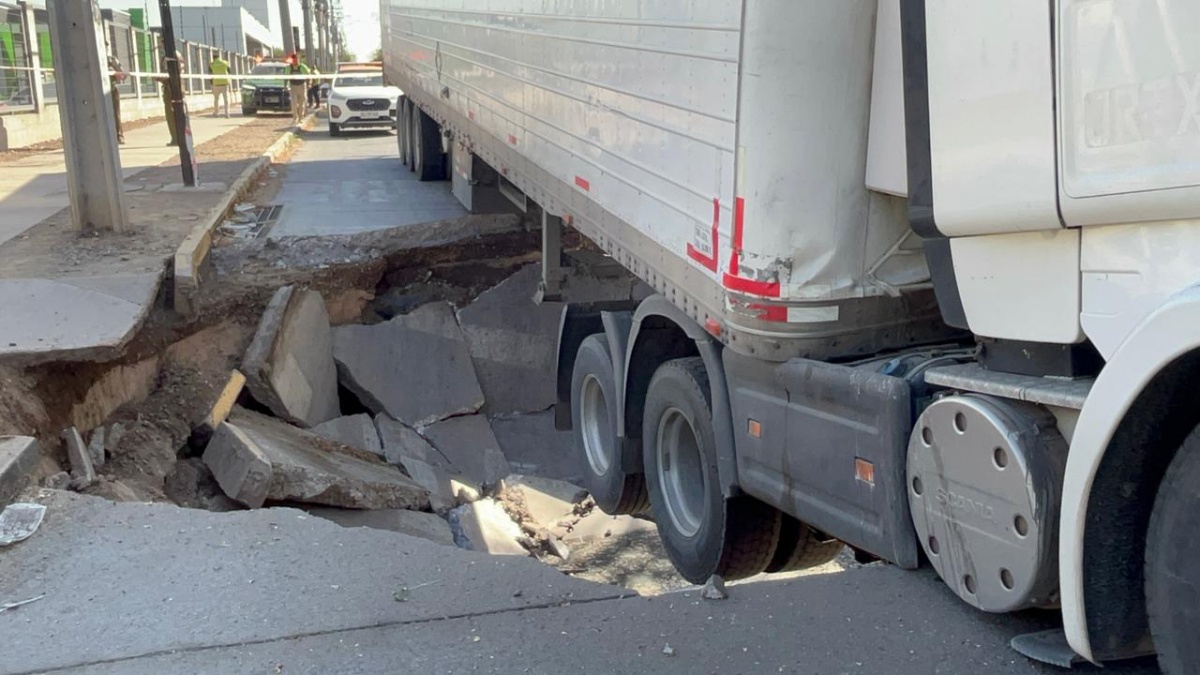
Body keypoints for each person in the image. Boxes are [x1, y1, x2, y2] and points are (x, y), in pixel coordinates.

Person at [156, 48, 188, 146]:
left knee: (171, 114)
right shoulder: (178, 55)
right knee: (179, 112)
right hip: (178, 87)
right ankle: (182, 137)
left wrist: (159, 78)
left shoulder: (169, 57)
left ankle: (176, 138)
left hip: (171, 88)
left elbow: (171, 74)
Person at [106, 50, 126, 144]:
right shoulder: (92, 59)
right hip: (96, 91)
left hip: (111, 89)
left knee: (115, 114)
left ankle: (119, 136)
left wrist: (116, 74)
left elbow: (123, 74)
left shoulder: (112, 60)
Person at [286, 54, 310, 124]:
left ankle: (300, 118)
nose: (295, 61)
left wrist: (309, 84)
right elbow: (285, 77)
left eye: (296, 59)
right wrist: (285, 86)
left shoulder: (303, 67)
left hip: (302, 86)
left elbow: (309, 76)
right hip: (293, 86)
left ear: (299, 60)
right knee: (293, 102)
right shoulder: (289, 68)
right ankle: (295, 117)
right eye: (294, 60)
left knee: (301, 103)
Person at [210, 53, 231, 118]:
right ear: (219, 57)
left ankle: (216, 113)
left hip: (216, 83)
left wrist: (211, 83)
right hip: (224, 83)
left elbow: (210, 73)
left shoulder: (212, 64)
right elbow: (229, 71)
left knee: (216, 99)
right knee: (226, 99)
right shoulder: (225, 62)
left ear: (213, 58)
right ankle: (227, 114)